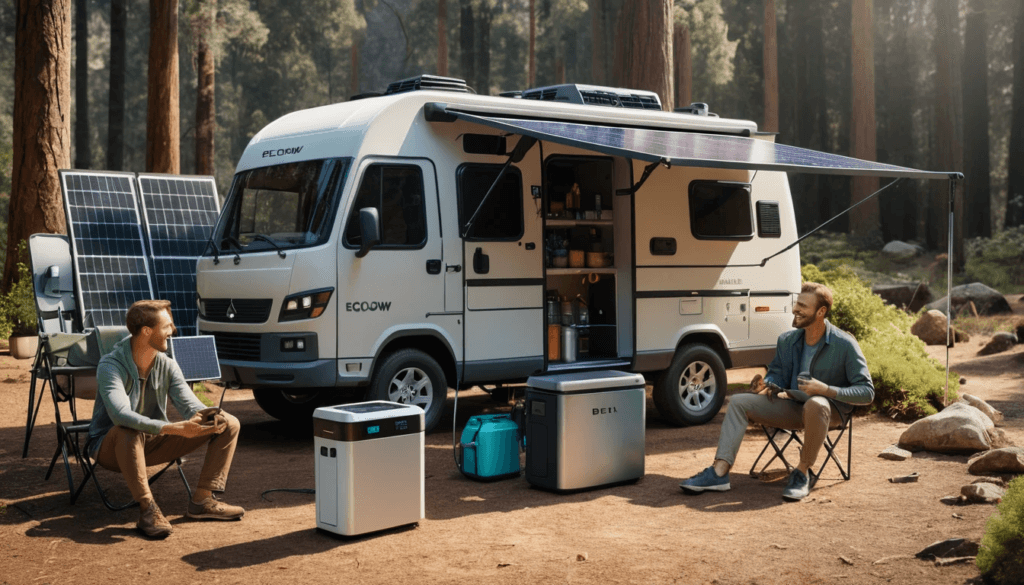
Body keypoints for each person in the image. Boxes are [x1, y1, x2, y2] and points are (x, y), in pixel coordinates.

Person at [679, 282, 874, 501]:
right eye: (796, 303)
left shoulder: (844, 344)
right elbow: (778, 374)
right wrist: (767, 383)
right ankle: (719, 473)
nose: (795, 309)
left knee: (816, 403)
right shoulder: (787, 340)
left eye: (803, 306)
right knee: (739, 402)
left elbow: (867, 392)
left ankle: (802, 472)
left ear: (821, 312)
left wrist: (826, 390)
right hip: (793, 406)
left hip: (829, 413)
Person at [88, 300, 244, 538]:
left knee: (227, 423)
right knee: (128, 429)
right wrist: (171, 428)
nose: (173, 331)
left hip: (154, 442)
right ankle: (148, 510)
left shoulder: (168, 365)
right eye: (167, 326)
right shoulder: (111, 365)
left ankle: (203, 500)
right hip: (112, 448)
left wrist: (208, 415)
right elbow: (120, 415)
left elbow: (190, 405)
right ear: (146, 331)